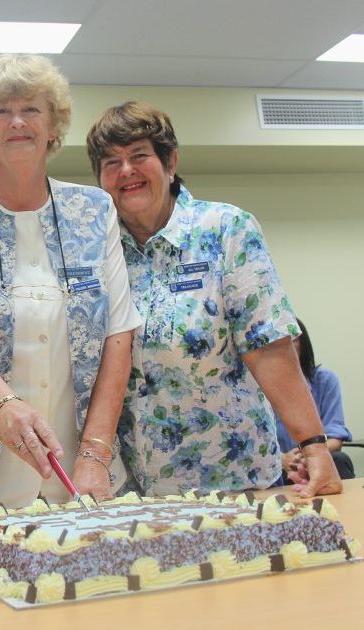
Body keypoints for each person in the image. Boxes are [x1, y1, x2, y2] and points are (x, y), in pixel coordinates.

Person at [85, 100, 341, 498]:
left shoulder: (225, 229)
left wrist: (314, 446)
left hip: (232, 479)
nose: (127, 171)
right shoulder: (96, 249)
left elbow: (268, 345)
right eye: (111, 163)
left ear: (170, 162)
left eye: (139, 156)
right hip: (129, 489)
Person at [0, 54, 141, 514]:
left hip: (83, 479)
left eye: (32, 109)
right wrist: (4, 407)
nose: (17, 121)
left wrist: (96, 452)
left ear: (53, 123)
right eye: (2, 110)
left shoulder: (95, 211)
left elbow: (118, 334)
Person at [275, 318, 355, 481]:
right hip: (277, 464)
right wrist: (281, 459)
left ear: (304, 344)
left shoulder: (325, 380)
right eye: (278, 344)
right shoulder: (254, 389)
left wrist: (310, 454)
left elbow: (335, 437)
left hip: (316, 456)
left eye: (293, 340)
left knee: (340, 460)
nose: (287, 348)